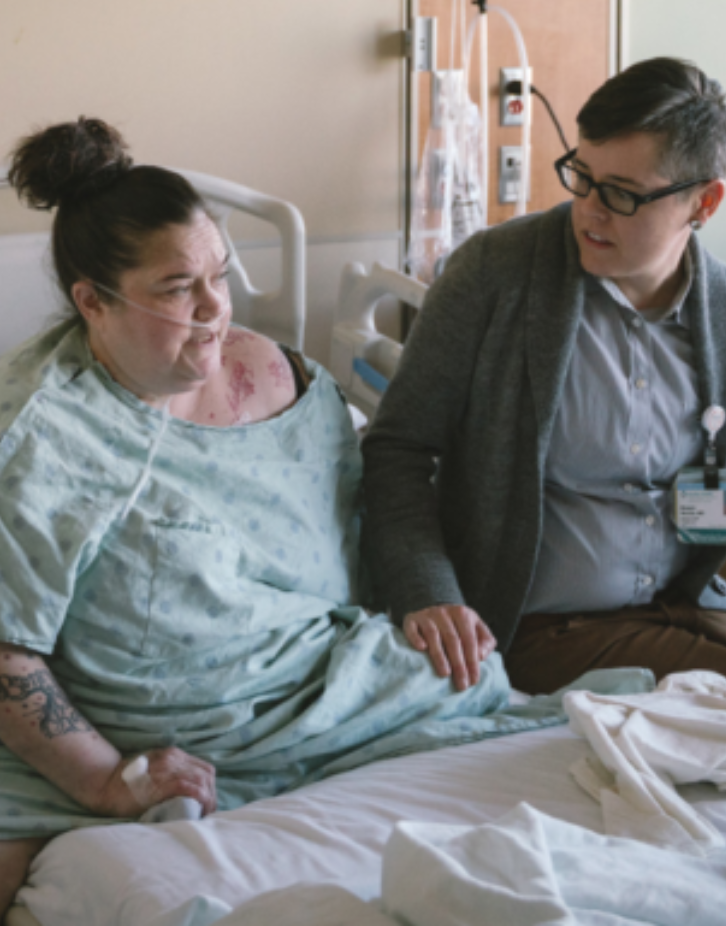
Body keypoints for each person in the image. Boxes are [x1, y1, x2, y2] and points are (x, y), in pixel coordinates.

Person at [0, 118, 556, 915]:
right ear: (93, 301)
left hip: (328, 698)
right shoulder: (42, 434)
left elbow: (359, 529)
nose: (213, 310)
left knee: (489, 706)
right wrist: (103, 779)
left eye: (220, 276)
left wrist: (424, 596)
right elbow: (7, 656)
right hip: (140, 735)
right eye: (175, 288)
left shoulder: (278, 381)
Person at [362, 57, 726, 730]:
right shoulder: (493, 279)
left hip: (694, 601)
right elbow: (396, 451)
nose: (587, 208)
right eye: (580, 175)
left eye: (620, 192)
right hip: (541, 622)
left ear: (703, 202)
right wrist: (427, 592)